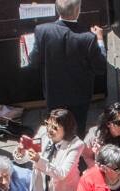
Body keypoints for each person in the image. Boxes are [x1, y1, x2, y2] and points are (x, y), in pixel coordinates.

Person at [26, 0, 106, 132]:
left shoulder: (42, 30)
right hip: (80, 96)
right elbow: (100, 67)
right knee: (78, 129)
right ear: (77, 10)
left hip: (54, 94)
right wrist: (100, 40)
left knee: (56, 128)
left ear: (57, 9)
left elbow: (33, 61)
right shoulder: (88, 38)